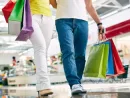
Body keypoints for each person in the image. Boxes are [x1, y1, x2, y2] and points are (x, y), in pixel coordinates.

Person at [50, 0, 104, 95]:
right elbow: (54, 4)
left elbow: (89, 6)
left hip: (82, 21)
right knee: (68, 51)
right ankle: (74, 83)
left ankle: (77, 83)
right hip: (62, 20)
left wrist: (99, 23)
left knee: (80, 54)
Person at [11, 0, 53, 97]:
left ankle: (40, 87)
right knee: (40, 47)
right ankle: (44, 86)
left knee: (44, 51)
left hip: (47, 16)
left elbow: (53, 3)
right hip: (31, 16)